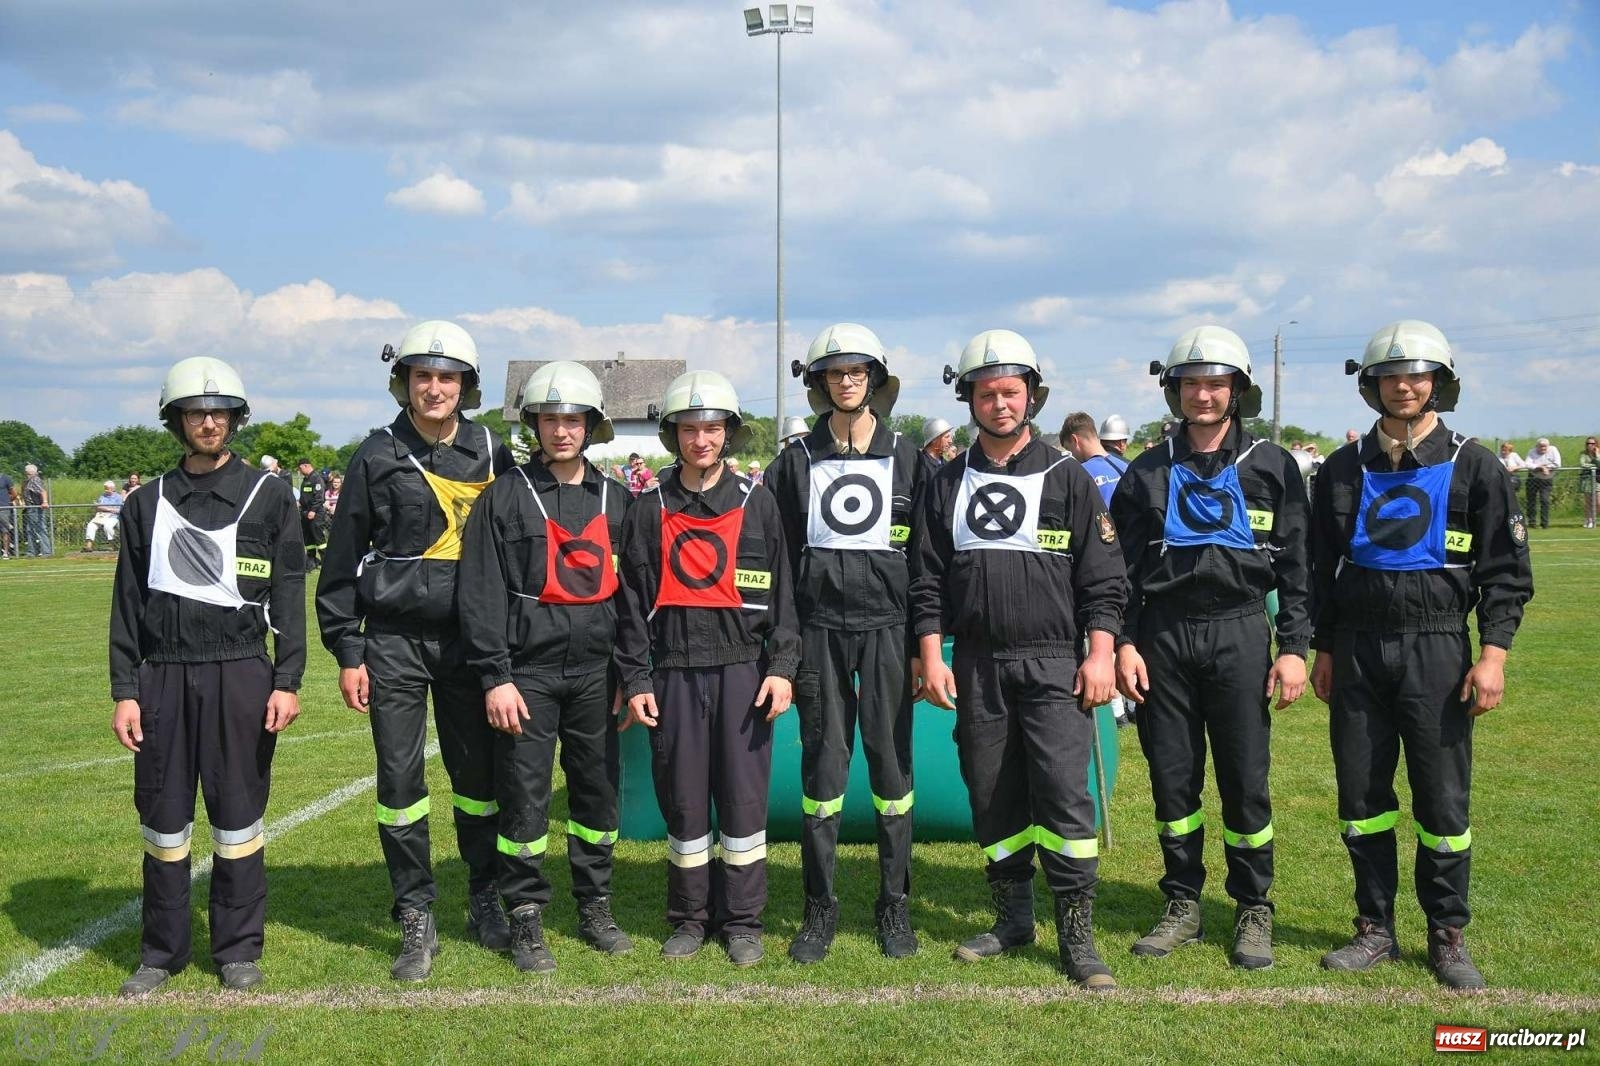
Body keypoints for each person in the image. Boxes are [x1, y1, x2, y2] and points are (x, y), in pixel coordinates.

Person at [1311, 320, 1533, 989]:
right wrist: (1323, 647)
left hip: (1438, 648)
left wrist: (1492, 656)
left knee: (1442, 802)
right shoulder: (1342, 468)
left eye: (1416, 374)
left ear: (1438, 382)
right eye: (1390, 376)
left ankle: (1447, 934)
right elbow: (1320, 570)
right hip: (1356, 651)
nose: (1403, 386)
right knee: (1362, 797)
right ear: (1371, 385)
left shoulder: (1476, 465)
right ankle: (1374, 928)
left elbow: (1506, 574)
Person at [911, 329, 1125, 990]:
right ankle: (1013, 920)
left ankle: (1077, 936)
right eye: (986, 394)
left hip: (1055, 664)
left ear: (1032, 395)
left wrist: (1100, 654)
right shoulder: (947, 482)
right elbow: (926, 580)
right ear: (969, 400)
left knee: (1064, 796)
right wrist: (930, 656)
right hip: (978, 664)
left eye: (1010, 392)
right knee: (991, 794)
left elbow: (1104, 580)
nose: (999, 404)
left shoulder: (1068, 477)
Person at [316, 320, 517, 981]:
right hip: (393, 643)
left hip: (472, 644)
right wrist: (349, 650)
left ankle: (485, 896)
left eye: (447, 377)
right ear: (403, 382)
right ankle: (415, 912)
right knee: (400, 786)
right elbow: (341, 562)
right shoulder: (375, 455)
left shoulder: (493, 451)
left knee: (479, 783)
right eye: (422, 376)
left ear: (466, 385)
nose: (434, 388)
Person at [1110, 325, 1310, 971]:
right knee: (1173, 779)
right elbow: (1121, 574)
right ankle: (1182, 903)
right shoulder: (1145, 472)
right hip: (1163, 637)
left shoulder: (1273, 466)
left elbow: (1298, 568)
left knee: (1245, 780)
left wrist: (1294, 647)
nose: (1203, 394)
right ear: (1174, 391)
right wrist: (1123, 643)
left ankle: (1253, 907)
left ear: (1237, 390)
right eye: (1191, 383)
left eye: (1216, 383)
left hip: (1240, 630)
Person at [109, 356, 305, 996]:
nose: (209, 422)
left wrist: (287, 680)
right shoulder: (145, 502)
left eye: (219, 412)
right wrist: (125, 691)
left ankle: (238, 950)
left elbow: (289, 592)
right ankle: (161, 952)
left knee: (238, 818)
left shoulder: (270, 495)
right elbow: (126, 604)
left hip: (241, 672)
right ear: (176, 420)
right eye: (195, 412)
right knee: (164, 822)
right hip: (163, 675)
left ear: (235, 419)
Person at [614, 370, 800, 967]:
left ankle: (743, 922)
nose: (702, 440)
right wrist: (636, 678)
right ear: (673, 435)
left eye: (712, 428)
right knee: (686, 803)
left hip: (744, 673)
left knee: (743, 805)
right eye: (690, 429)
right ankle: (690, 918)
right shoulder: (648, 509)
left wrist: (782, 667)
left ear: (728, 433)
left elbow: (785, 595)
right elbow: (630, 605)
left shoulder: (756, 502)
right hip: (674, 673)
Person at [459, 361, 635, 974]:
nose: (562, 430)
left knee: (597, 792)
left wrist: (631, 674)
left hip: (596, 675)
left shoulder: (617, 498)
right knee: (525, 798)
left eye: (574, 419)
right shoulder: (503, 496)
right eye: (550, 418)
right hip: (526, 675)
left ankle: (595, 905)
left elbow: (634, 598)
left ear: (592, 425)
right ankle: (526, 914)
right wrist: (496, 676)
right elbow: (480, 592)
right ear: (533, 424)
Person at [764, 323, 927, 964]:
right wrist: (784, 651)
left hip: (888, 632)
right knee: (823, 774)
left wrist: (923, 645)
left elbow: (928, 561)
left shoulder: (910, 458)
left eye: (858, 371)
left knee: (892, 774)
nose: (847, 381)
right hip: (820, 634)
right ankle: (819, 908)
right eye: (835, 373)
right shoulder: (793, 462)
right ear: (820, 383)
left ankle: (895, 905)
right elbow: (777, 563)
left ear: (875, 378)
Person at [1060, 411, 1134, 727]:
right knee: (1129, 635)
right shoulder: (1126, 467)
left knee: (1101, 635)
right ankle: (1133, 701)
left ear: (1075, 441)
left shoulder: (1078, 475)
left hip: (1100, 566)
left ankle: (1116, 712)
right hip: (1132, 565)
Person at [296, 458, 329, 570]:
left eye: (300, 468)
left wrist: (313, 510)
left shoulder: (316, 478)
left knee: (319, 539)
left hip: (316, 513)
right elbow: (304, 497)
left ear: (306, 466)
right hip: (305, 512)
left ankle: (326, 562)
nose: (299, 471)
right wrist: (299, 504)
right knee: (308, 539)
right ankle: (311, 562)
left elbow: (319, 498)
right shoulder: (306, 480)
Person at [1523, 438, 1560, 529]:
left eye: (1545, 446)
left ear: (1548, 446)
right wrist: (1540, 467)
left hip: (1546, 479)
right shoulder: (1532, 452)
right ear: (1537, 446)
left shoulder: (1553, 450)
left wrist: (1547, 467)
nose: (1543, 448)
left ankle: (1544, 523)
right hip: (1533, 478)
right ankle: (1532, 522)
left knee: (1545, 500)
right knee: (1531, 500)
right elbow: (1527, 464)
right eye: (1540, 446)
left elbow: (1557, 464)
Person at [85, 479, 124, 551]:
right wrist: (107, 508)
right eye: (105, 488)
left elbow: (118, 510)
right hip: (101, 516)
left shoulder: (118, 497)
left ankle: (113, 544)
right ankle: (88, 546)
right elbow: (98, 507)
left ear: (112, 488)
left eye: (107, 488)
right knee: (91, 525)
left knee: (107, 526)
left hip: (113, 516)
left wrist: (105, 508)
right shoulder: (102, 497)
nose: (105, 490)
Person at [21, 463, 51, 557]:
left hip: (35, 508)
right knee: (30, 529)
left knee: (40, 529)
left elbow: (43, 491)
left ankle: (46, 551)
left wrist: (45, 502)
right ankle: (32, 551)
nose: (26, 474)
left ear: (30, 472)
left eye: (27, 473)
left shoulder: (35, 480)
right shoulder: (28, 481)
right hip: (30, 508)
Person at [1580, 436, 1599, 528]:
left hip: (1597, 479)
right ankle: (1589, 520)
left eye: (1592, 443)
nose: (1590, 445)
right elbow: (1583, 464)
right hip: (1587, 479)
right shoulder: (1583, 454)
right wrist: (1594, 466)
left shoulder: (1598, 453)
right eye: (1588, 443)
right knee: (1588, 501)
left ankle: (1594, 518)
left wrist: (1597, 455)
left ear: (1596, 444)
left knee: (1598, 502)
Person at [0, 469, 15, 559]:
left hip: (4, 507)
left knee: (5, 531)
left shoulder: (5, 478)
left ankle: (6, 552)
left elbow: (14, 494)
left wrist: (7, 501)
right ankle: (8, 524)